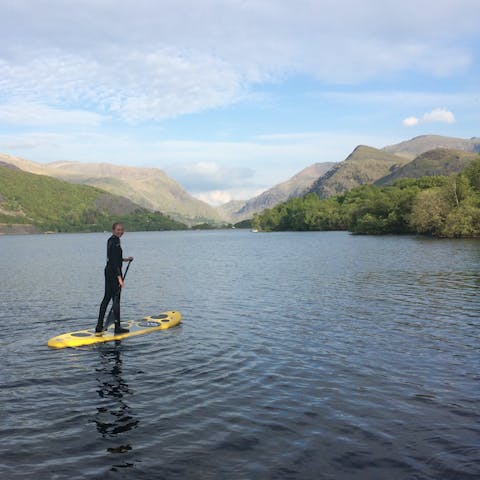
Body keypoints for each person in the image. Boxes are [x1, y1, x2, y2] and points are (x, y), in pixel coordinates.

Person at [95, 222, 133, 335]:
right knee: (116, 300)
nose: (120, 231)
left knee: (106, 298)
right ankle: (117, 328)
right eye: (118, 229)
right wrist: (119, 278)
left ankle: (99, 326)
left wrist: (125, 259)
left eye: (122, 229)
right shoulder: (115, 241)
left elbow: (114, 257)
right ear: (113, 230)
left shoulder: (111, 240)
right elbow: (114, 262)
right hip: (113, 273)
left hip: (108, 272)